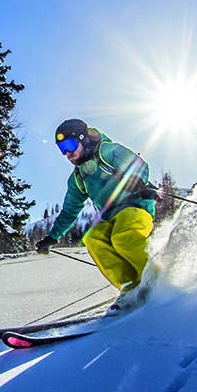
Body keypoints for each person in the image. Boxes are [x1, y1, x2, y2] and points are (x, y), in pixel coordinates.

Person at [35, 118, 156, 297]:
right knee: (93, 239)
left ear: (83, 138)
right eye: (62, 149)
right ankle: (130, 288)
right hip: (109, 216)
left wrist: (136, 180)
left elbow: (137, 164)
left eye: (70, 144)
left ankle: (155, 281)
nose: (67, 153)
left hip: (136, 205)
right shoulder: (78, 178)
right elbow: (69, 210)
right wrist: (52, 237)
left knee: (123, 237)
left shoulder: (107, 151)